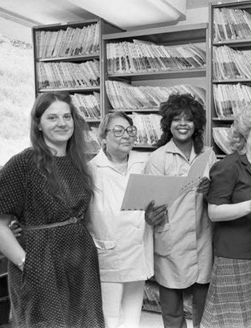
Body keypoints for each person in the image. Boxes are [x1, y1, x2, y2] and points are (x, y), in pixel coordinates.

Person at [0, 92, 104, 328]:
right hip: (41, 262)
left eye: (67, 117)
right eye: (52, 117)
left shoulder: (78, 162)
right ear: (38, 124)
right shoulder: (23, 163)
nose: (62, 123)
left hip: (80, 260)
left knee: (84, 321)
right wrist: (26, 263)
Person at [85, 112, 167, 328]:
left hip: (137, 249)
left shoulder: (144, 162)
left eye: (130, 131)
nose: (126, 136)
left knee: (132, 316)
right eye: (118, 131)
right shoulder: (90, 170)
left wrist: (151, 216)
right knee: (110, 318)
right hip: (108, 252)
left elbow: (152, 201)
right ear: (102, 137)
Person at [201, 103, 251, 328]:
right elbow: (214, 212)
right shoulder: (228, 166)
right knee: (231, 322)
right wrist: (250, 205)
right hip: (233, 256)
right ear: (245, 133)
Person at [144, 93, 216, 328]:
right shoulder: (157, 158)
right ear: (168, 124)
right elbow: (149, 203)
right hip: (171, 242)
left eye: (188, 119)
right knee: (173, 313)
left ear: (197, 125)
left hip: (202, 240)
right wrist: (150, 214)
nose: (183, 124)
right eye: (177, 119)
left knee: (203, 311)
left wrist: (209, 190)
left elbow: (218, 198)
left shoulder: (208, 154)